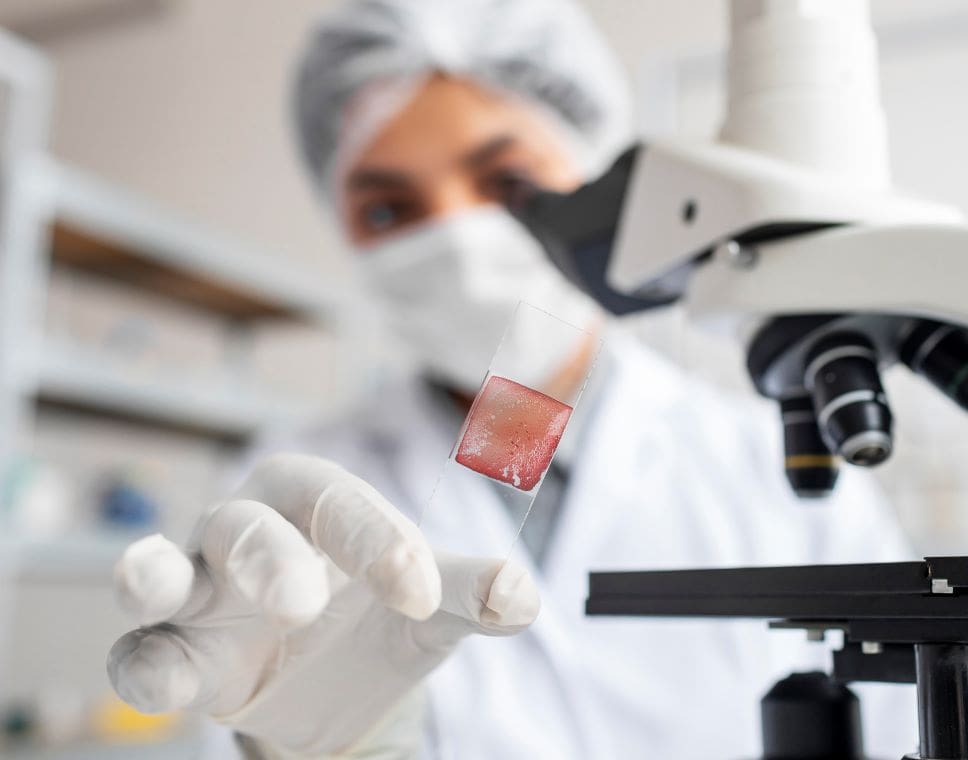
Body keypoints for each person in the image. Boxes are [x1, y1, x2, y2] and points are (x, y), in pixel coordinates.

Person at [106, 0, 919, 757]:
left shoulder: (773, 472)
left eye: (507, 185)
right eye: (388, 210)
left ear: (593, 174)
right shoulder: (302, 495)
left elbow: (902, 722)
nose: (456, 236)